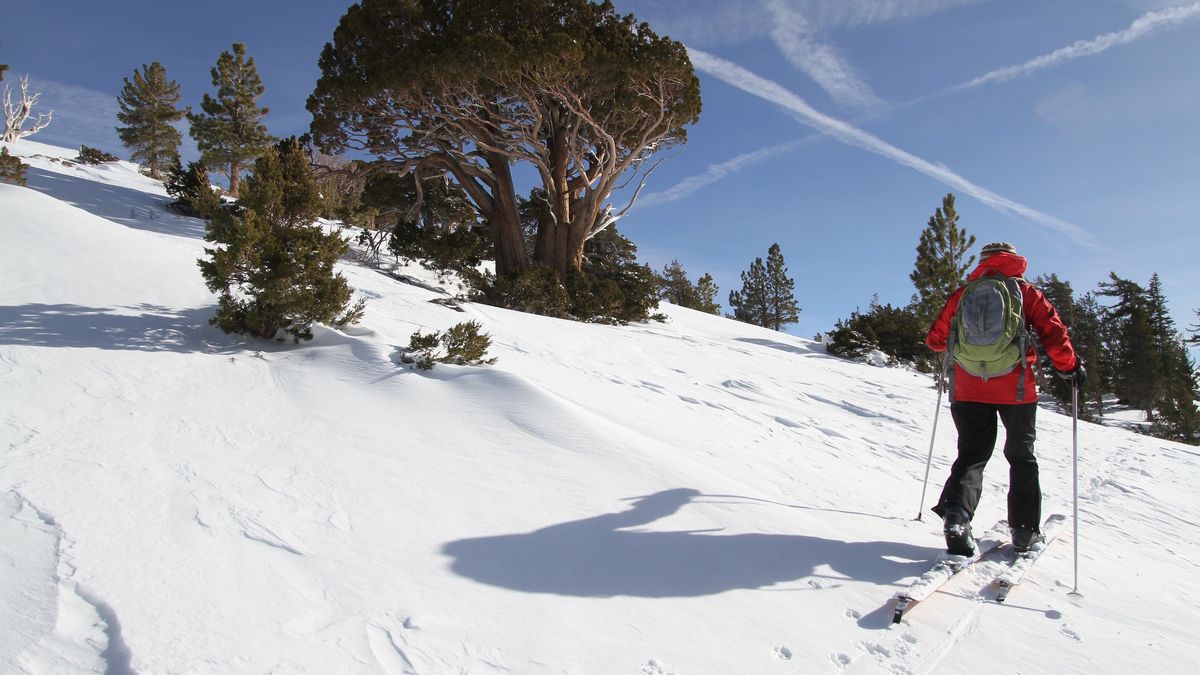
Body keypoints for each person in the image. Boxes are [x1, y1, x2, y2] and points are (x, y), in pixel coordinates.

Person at [925, 242, 1085, 555]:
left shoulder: (962, 294)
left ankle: (957, 517)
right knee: (1021, 456)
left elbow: (935, 341)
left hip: (968, 389)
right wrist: (1071, 367)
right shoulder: (1026, 293)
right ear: (1015, 261)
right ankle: (1024, 531)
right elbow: (1054, 333)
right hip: (1016, 389)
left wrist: (970, 353)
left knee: (972, 455)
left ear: (982, 262)